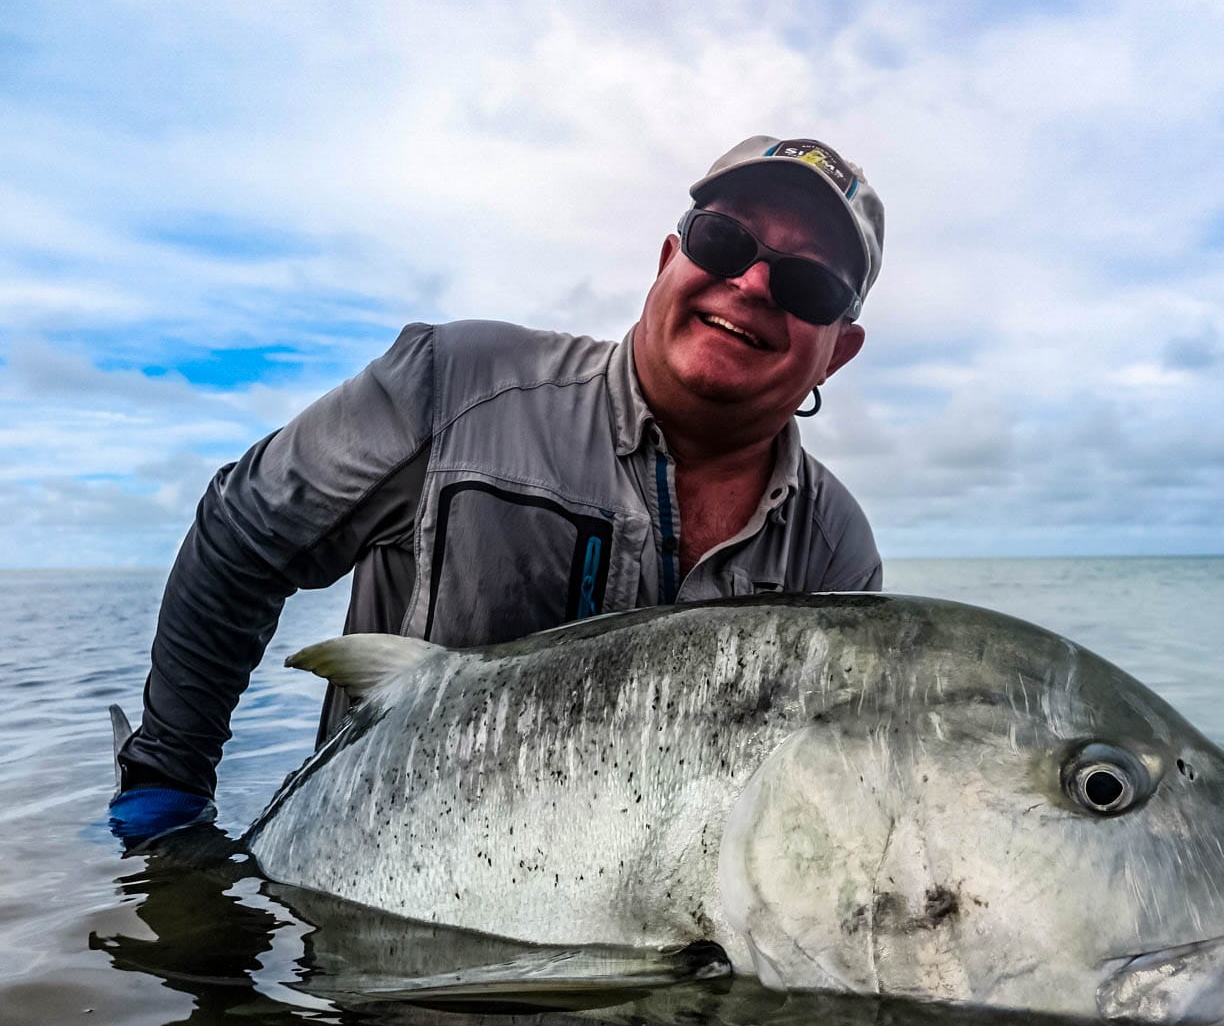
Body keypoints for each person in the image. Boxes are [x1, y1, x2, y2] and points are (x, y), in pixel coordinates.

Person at [108, 135, 886, 845]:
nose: (751, 283)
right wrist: (169, 785)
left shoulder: (835, 548)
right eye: (724, 240)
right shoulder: (453, 384)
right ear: (667, 259)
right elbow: (242, 535)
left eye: (807, 284)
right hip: (368, 939)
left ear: (840, 353)